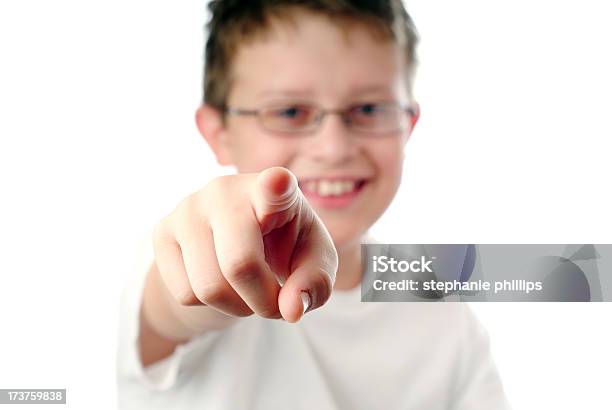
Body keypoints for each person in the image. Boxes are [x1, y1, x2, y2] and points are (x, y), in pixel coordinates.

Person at [117, 1, 511, 408]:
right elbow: (177, 304)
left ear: (408, 125)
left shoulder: (446, 316)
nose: (334, 148)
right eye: (289, 111)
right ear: (218, 133)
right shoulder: (185, 253)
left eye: (369, 109)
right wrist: (210, 261)